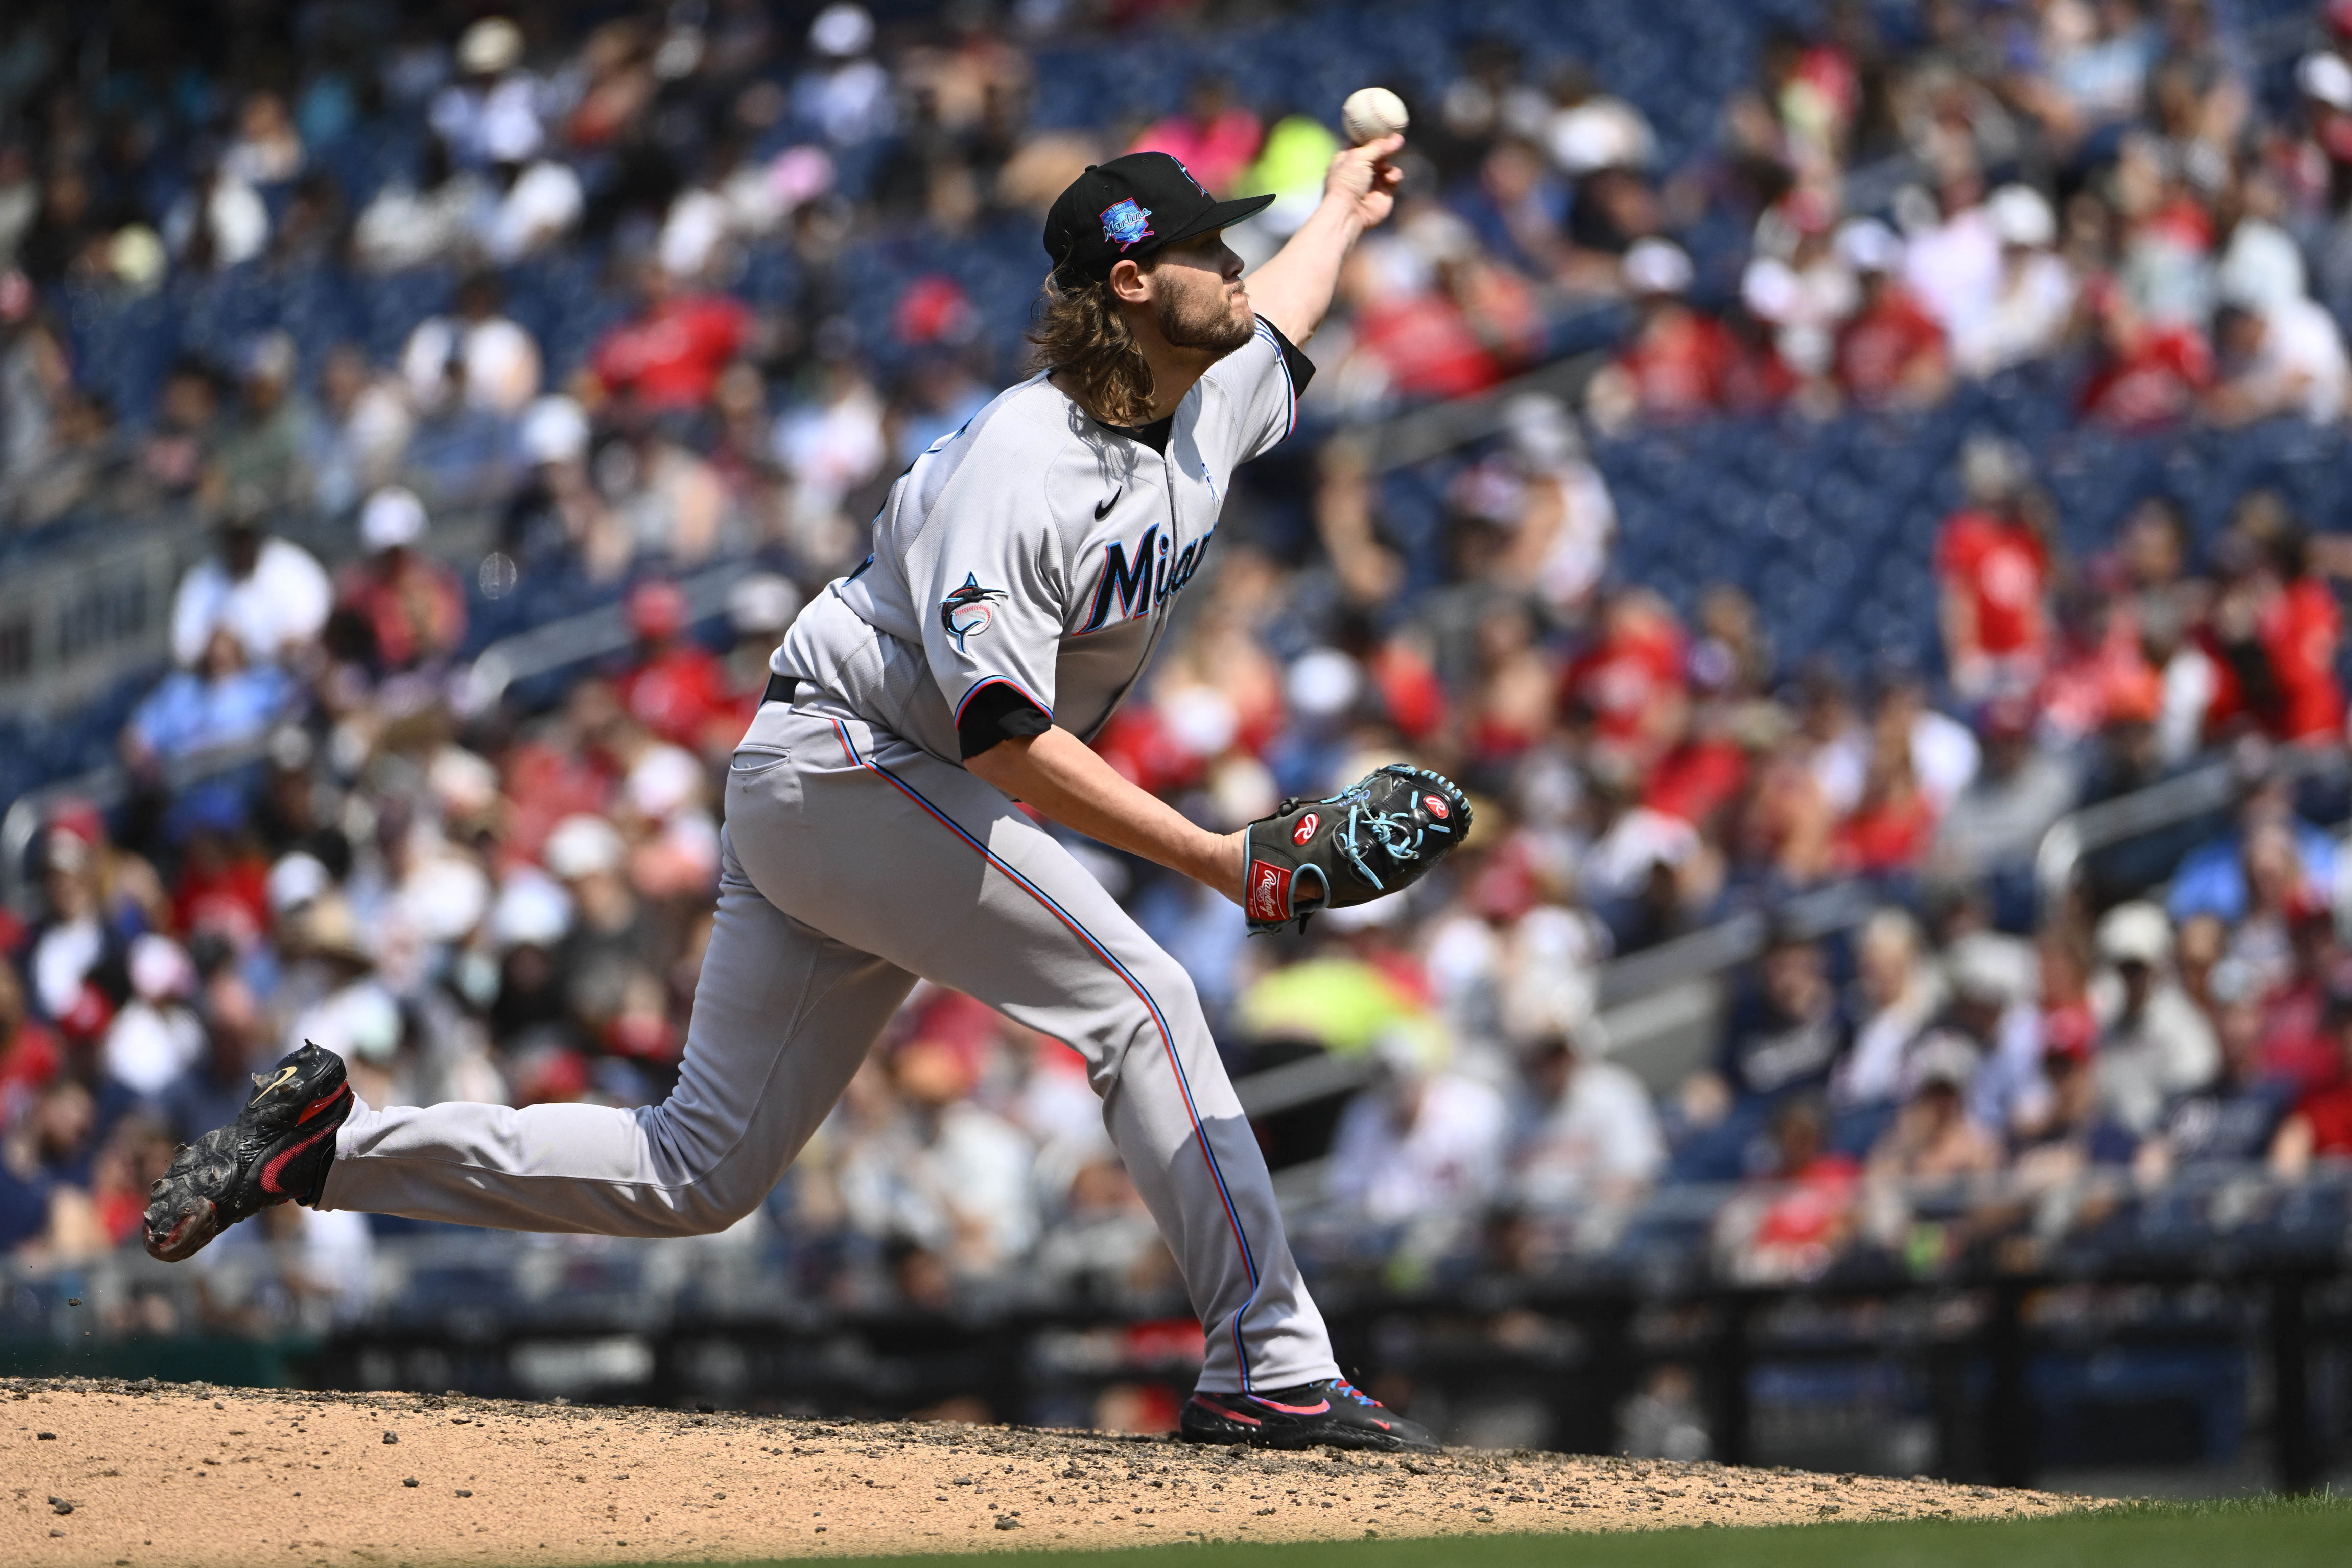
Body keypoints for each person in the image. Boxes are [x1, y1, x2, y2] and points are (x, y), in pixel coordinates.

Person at [145, 138, 1440, 1452]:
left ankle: (322, 1146)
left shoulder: (1205, 396)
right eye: (1202, 250)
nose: (1232, 267)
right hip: (857, 762)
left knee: (695, 1171)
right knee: (1140, 996)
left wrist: (1338, 207)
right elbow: (998, 731)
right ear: (1129, 282)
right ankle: (1269, 1360)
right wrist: (1215, 856)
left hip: (856, 789)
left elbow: (1280, 309)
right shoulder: (1021, 457)